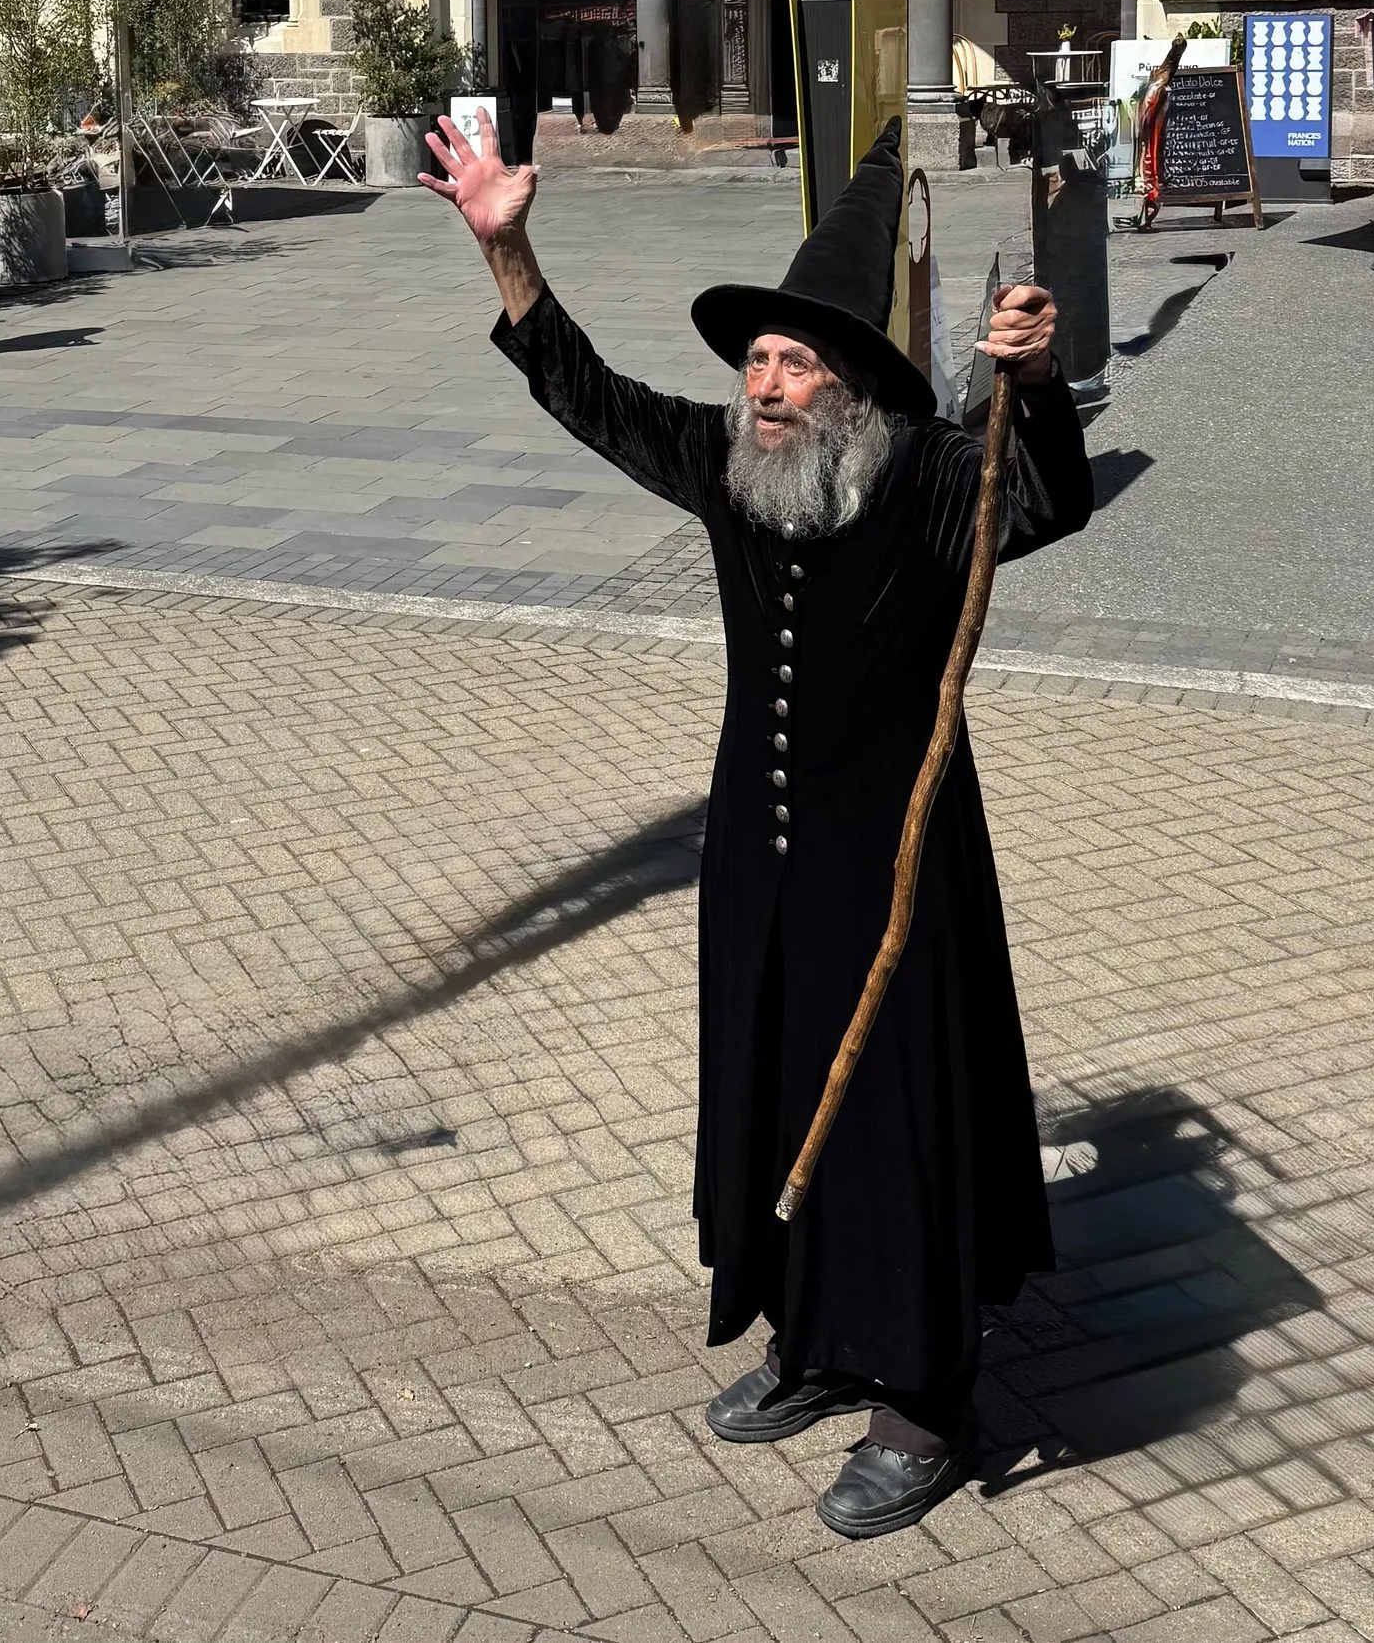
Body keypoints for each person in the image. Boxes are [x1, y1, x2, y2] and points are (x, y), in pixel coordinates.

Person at [426, 107, 1093, 1537]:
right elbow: (590, 394)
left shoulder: (923, 479)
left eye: (795, 360)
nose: (766, 381)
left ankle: (920, 1399)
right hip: (762, 863)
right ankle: (807, 1335)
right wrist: (510, 249)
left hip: (898, 868)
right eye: (757, 358)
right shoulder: (732, 473)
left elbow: (1038, 494)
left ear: (852, 382)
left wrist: (1030, 381)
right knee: (778, 1083)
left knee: (895, 1117)